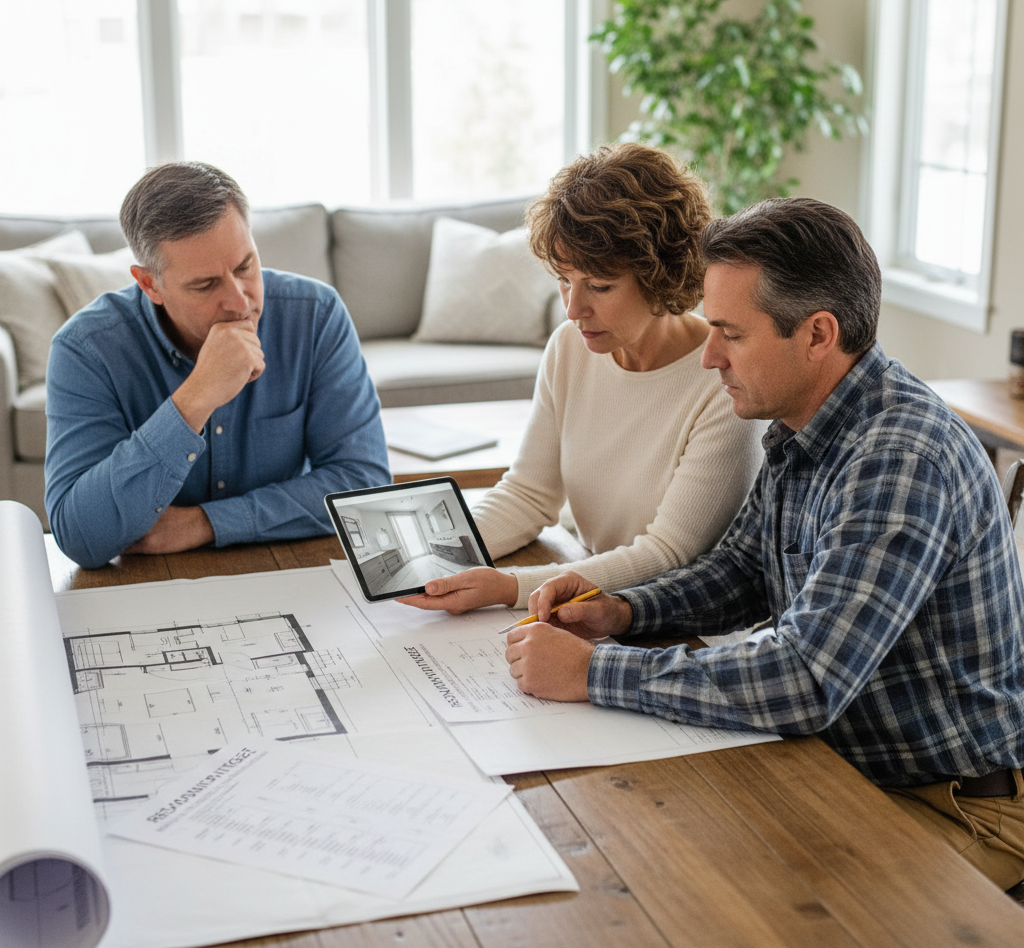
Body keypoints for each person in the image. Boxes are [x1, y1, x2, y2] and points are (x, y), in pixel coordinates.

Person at [505, 196, 1024, 891]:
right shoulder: (804, 423)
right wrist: (621, 612)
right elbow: (742, 571)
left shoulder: (899, 458)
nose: (708, 357)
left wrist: (592, 673)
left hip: (953, 806)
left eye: (730, 333)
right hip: (847, 767)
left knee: (702, 891)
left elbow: (807, 679)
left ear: (816, 334)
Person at [398, 144, 764, 615]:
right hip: (591, 601)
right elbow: (528, 495)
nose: (573, 309)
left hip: (674, 625)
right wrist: (429, 555)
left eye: (600, 285)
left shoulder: (723, 383)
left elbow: (668, 556)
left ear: (662, 274)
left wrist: (510, 588)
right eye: (564, 279)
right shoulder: (569, 347)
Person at [45, 162, 390, 568]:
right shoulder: (86, 350)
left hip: (286, 570)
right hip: (150, 586)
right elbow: (81, 537)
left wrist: (205, 524)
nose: (241, 302)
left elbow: (363, 488)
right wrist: (195, 397)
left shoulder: (315, 316)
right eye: (206, 285)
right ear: (150, 283)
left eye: (245, 266)